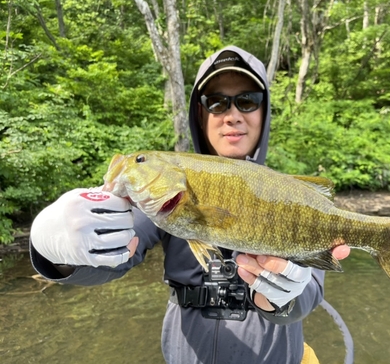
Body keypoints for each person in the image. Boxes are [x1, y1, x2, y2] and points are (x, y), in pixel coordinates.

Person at [30, 46, 350, 364]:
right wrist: (54, 250)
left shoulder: (291, 195)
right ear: (200, 113)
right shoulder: (166, 196)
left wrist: (282, 301)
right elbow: (113, 254)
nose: (233, 114)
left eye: (247, 100)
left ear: (264, 112)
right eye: (217, 102)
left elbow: (309, 292)